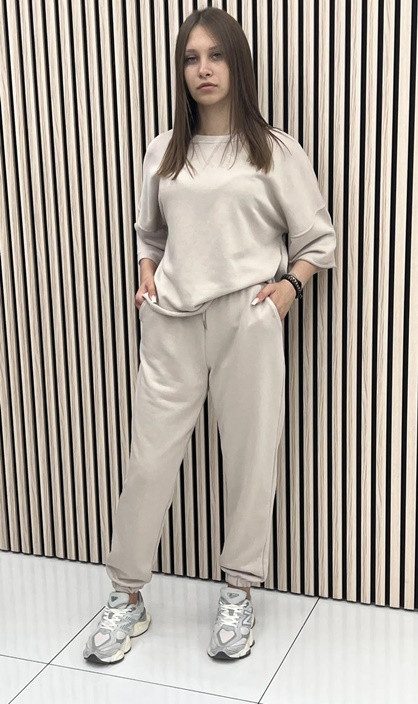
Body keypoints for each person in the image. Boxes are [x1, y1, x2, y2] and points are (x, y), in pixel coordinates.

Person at [83, 7, 337, 664]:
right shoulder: (164, 150)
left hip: (247, 319)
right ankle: (127, 595)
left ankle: (238, 592)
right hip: (170, 321)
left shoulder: (275, 150)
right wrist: (146, 273)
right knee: (148, 462)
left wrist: (288, 290)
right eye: (192, 58)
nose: (203, 69)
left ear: (237, 64)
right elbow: (150, 233)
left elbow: (318, 238)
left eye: (216, 55)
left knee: (251, 459)